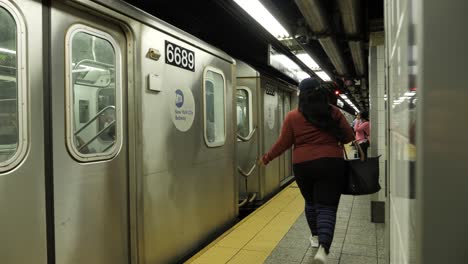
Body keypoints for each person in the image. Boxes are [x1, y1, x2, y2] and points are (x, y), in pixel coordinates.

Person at [260, 78, 354, 263]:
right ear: (321, 92)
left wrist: (267, 157)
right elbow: (349, 137)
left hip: (303, 166)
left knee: (311, 203)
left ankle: (315, 237)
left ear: (301, 95)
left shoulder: (293, 116)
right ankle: (323, 248)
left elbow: (284, 143)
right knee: (327, 207)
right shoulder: (333, 113)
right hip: (331, 163)